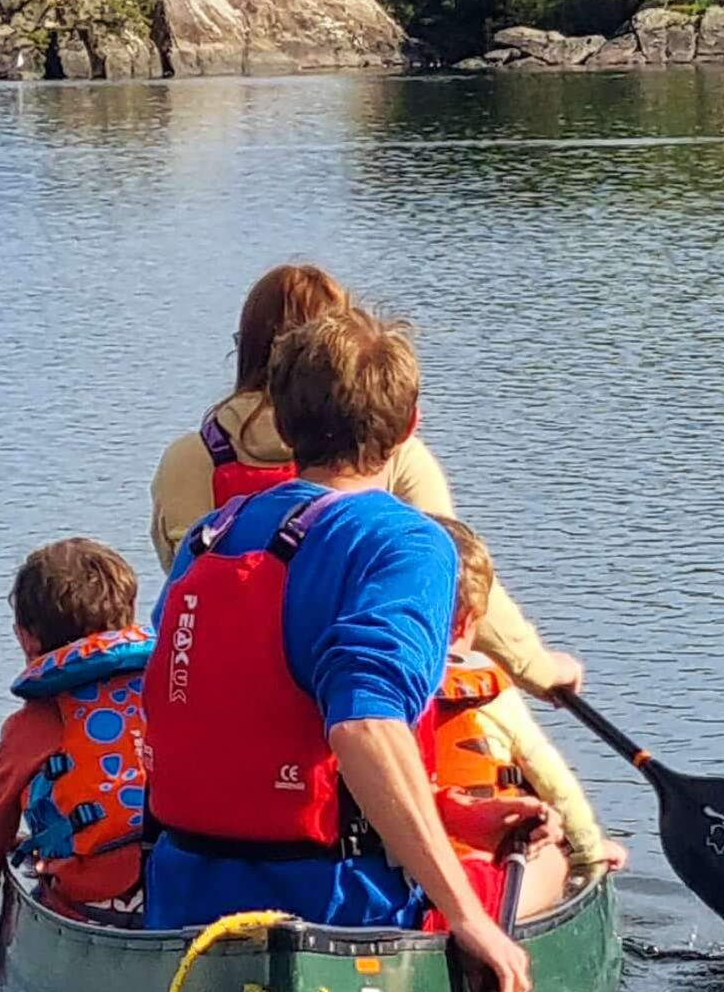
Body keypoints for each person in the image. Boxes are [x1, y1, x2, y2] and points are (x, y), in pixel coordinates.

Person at [143, 304, 534, 992]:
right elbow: (364, 730)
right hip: (340, 911)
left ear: (286, 425)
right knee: (547, 856)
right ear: (408, 427)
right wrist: (473, 922)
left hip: (184, 899)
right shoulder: (408, 544)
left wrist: (449, 814)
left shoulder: (211, 534)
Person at [149, 258, 584, 704]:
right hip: (358, 694)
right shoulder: (395, 451)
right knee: (498, 705)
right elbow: (458, 582)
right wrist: (537, 668)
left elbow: (182, 584)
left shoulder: (192, 457)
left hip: (231, 693)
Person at [0, 537, 151, 987]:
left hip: (100, 904)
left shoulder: (34, 722)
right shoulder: (179, 688)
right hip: (198, 886)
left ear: (27, 637)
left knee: (33, 856)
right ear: (130, 619)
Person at [432, 523, 627, 894]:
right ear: (472, 619)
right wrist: (590, 853)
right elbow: (554, 783)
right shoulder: (491, 694)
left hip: (394, 866)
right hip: (481, 867)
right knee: (554, 845)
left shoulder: (364, 683)